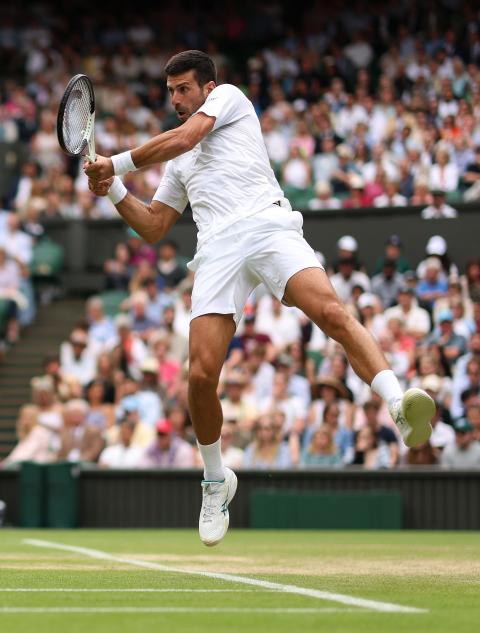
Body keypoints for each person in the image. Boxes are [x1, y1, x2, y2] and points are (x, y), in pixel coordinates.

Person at [84, 50, 434, 546]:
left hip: (268, 225)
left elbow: (185, 136)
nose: (176, 99)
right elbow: (155, 226)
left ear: (206, 88)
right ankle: (214, 479)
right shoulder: (180, 162)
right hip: (217, 249)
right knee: (201, 376)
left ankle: (398, 402)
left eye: (183, 89)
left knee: (332, 312)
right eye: (170, 92)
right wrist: (115, 188)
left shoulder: (228, 98)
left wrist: (113, 161)